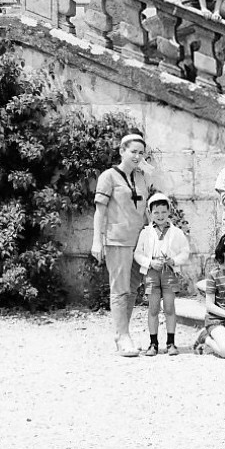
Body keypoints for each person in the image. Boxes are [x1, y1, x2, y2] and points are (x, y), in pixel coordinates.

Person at [89, 133, 155, 357]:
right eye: (133, 151)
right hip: (117, 239)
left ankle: (122, 333)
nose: (137, 156)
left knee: (133, 288)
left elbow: (146, 209)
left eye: (141, 152)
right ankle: (122, 336)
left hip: (139, 240)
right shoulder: (108, 176)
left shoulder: (141, 177)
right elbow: (100, 211)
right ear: (122, 151)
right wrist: (97, 240)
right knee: (120, 288)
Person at [132, 192, 188, 357]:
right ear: (150, 213)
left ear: (169, 211)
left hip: (168, 271)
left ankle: (171, 343)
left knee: (169, 307)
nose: (160, 216)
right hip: (151, 272)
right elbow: (138, 254)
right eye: (156, 212)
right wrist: (149, 262)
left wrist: (174, 260)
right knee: (153, 308)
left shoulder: (176, 232)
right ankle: (153, 343)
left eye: (164, 212)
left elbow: (185, 252)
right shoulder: (146, 232)